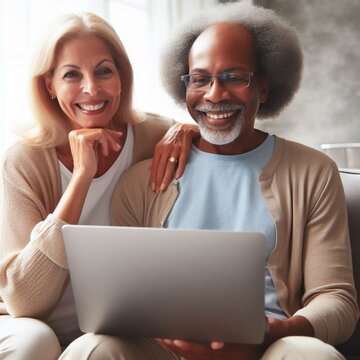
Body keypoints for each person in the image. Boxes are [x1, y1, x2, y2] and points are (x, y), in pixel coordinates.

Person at [96, 2, 357, 360]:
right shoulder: (141, 182)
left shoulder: (313, 172)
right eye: (200, 79)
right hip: (163, 347)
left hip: (269, 345)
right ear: (184, 85)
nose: (215, 94)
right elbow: (124, 296)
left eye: (234, 77)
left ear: (263, 88)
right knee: (92, 348)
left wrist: (271, 332)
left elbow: (336, 300)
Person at [0, 12, 198, 359]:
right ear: (49, 85)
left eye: (104, 71)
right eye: (71, 75)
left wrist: (188, 129)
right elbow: (25, 302)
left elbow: (218, 134)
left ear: (122, 77)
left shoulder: (152, 136)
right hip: (33, 324)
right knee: (35, 342)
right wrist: (81, 177)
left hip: (118, 331)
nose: (91, 88)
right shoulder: (24, 160)